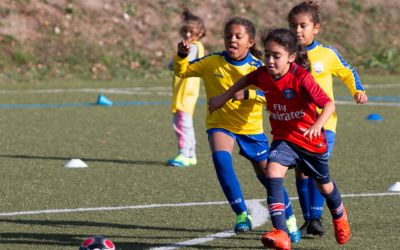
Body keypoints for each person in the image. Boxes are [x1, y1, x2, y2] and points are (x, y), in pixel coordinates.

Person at [209, 28, 351, 249]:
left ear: (291, 58)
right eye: (267, 55)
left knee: (324, 186)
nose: (270, 61)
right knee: (272, 174)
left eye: (277, 56)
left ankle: (339, 214)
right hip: (284, 139)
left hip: (309, 141)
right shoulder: (263, 74)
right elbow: (245, 80)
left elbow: (329, 104)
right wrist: (223, 97)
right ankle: (281, 233)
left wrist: (317, 125)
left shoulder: (301, 77)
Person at [174, 17, 301, 241]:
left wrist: (248, 94)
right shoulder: (212, 62)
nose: (232, 40)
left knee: (269, 179)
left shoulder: (259, 69)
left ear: (250, 42)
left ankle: (289, 217)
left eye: (238, 36)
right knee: (222, 162)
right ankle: (242, 213)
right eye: (228, 36)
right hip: (220, 124)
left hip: (251, 128)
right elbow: (181, 72)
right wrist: (182, 57)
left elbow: (272, 95)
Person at [287, 1, 368, 236]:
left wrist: (357, 90)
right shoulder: (287, 56)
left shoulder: (326, 53)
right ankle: (310, 219)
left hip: (325, 124)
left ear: (316, 28)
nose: (298, 31)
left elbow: (347, 71)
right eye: (293, 26)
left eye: (303, 25)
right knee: (301, 171)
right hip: (297, 125)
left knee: (315, 170)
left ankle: (317, 217)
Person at [167, 8, 206, 167]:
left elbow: (174, 65)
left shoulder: (193, 47)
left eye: (192, 31)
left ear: (200, 32)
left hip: (185, 93)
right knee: (186, 124)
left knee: (181, 124)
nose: (188, 35)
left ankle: (184, 153)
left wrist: (176, 58)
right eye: (185, 31)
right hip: (186, 93)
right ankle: (191, 154)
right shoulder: (195, 46)